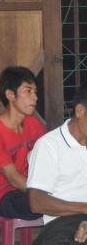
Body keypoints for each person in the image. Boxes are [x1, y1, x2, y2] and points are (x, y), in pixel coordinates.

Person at [0, 66, 45, 220]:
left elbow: (47, 159)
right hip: (3, 197)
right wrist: (47, 193)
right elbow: (13, 178)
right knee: (43, 203)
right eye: (28, 91)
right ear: (10, 95)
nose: (35, 97)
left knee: (70, 193)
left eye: (35, 92)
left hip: (29, 188)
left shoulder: (34, 124)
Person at [27, 85, 87, 245]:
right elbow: (36, 202)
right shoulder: (49, 145)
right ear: (80, 111)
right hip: (61, 222)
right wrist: (84, 208)